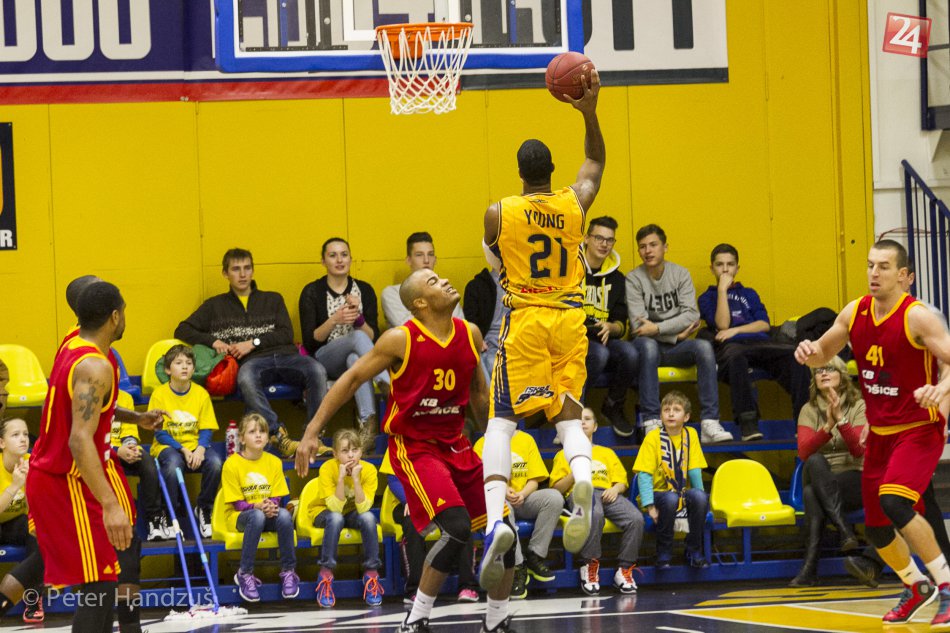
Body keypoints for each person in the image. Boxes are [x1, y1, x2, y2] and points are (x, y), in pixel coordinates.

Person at [295, 269, 515, 633]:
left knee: (504, 531)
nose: (445, 281)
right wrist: (311, 430)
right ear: (420, 303)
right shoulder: (400, 339)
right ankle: (416, 618)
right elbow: (352, 379)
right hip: (415, 448)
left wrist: (493, 447)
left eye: (441, 276)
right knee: (457, 527)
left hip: (457, 444)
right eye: (433, 282)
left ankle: (496, 620)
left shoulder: (470, 333)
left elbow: (479, 392)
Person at [480, 68, 605, 588]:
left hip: (527, 321)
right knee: (569, 419)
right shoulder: (574, 202)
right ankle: (582, 479)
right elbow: (595, 164)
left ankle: (495, 521)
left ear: (519, 173)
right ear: (552, 171)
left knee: (501, 422)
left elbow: (494, 261)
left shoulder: (499, 212)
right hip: (571, 318)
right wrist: (588, 112)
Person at [795, 239, 950, 626]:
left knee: (895, 502)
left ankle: (947, 586)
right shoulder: (855, 311)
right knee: (877, 527)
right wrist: (808, 352)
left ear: (903, 275)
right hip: (879, 433)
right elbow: (823, 352)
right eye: (870, 265)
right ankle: (915, 586)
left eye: (883, 266)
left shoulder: (918, 317)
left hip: (919, 428)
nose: (873, 273)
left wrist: (942, 389)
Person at [26, 281, 159, 633]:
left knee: (101, 580)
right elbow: (80, 439)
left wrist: (136, 418)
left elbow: (90, 409)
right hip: (63, 480)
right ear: (114, 317)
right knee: (98, 584)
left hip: (60, 475)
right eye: (124, 310)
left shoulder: (73, 342)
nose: (125, 316)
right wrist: (110, 505)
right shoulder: (95, 367)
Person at [175, 248, 327, 459]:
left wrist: (253, 343)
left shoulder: (273, 299)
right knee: (245, 378)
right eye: (236, 269)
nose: (242, 274)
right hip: (253, 363)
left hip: (285, 356)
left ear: (253, 271)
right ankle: (278, 434)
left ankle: (313, 437)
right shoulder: (214, 306)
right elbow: (182, 329)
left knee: (317, 370)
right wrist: (213, 341)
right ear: (225, 273)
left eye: (247, 268)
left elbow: (286, 334)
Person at [697, 243, 810, 441]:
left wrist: (736, 330)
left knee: (796, 355)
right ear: (712, 268)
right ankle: (748, 423)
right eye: (720, 265)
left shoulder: (749, 293)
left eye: (730, 264)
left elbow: (763, 325)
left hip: (760, 344)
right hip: (732, 348)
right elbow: (722, 325)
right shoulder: (707, 297)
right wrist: (722, 290)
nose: (725, 270)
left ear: (737, 268)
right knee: (736, 357)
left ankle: (804, 423)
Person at [626, 224, 727, 443]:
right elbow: (638, 326)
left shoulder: (680, 274)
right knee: (648, 345)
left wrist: (659, 329)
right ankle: (652, 420)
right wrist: (675, 334)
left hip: (674, 348)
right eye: (642, 247)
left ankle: (710, 422)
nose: (648, 251)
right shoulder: (633, 279)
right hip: (648, 347)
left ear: (665, 247)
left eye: (653, 245)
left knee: (703, 347)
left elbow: (691, 315)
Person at [299, 238, 388, 445]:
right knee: (357, 338)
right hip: (324, 359)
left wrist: (358, 318)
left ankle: (367, 428)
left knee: (356, 360)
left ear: (350, 259)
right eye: (333, 255)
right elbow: (310, 342)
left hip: (358, 359)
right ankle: (385, 383)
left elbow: (373, 337)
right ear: (323, 261)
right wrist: (335, 320)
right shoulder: (312, 291)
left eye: (344, 255)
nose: (339, 260)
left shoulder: (364, 290)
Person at [788, 357, 864, 586]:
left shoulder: (859, 405)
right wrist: (828, 426)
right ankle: (845, 531)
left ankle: (809, 569)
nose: (823, 373)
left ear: (842, 374)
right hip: (819, 472)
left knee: (811, 494)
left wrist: (841, 419)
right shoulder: (808, 409)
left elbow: (859, 449)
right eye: (819, 370)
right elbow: (804, 452)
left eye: (829, 368)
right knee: (815, 461)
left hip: (853, 476)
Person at [550, 407, 643, 595]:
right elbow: (557, 488)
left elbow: (621, 482)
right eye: (579, 420)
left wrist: (615, 489)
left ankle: (624, 570)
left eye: (587, 419)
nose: (583, 422)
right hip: (580, 493)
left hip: (607, 493)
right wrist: (577, 470)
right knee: (595, 513)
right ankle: (589, 565)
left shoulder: (607, 453)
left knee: (636, 519)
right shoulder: (563, 454)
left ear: (595, 426)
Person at [379, 448, 479, 604]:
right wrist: (409, 500)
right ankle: (415, 589)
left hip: (439, 499)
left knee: (461, 523)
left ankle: (468, 586)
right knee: (413, 524)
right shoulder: (397, 444)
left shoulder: (442, 442)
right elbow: (394, 480)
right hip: (407, 502)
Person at [221, 413, 298, 603]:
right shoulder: (231, 464)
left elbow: (277, 495)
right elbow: (237, 503)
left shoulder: (274, 462)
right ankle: (245, 573)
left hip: (265, 514)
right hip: (239, 517)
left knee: (284, 516)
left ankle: (288, 571)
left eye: (262, 431)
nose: (258, 435)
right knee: (256, 516)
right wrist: (257, 506)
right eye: (252, 431)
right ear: (241, 438)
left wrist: (271, 506)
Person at [474, 429, 562, 593]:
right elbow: (480, 480)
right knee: (503, 507)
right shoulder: (482, 443)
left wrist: (522, 494)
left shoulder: (526, 439)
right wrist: (503, 490)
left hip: (524, 498)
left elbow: (534, 480)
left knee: (554, 498)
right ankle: (518, 566)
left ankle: (535, 555)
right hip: (499, 498)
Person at [148, 345, 222, 539]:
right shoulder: (159, 395)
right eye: (179, 363)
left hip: (195, 445)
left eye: (189, 363)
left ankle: (204, 508)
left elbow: (206, 428)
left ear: (193, 369)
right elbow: (160, 433)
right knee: (173, 466)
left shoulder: (201, 394)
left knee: (215, 463)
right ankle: (169, 514)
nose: (184, 367)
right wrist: (183, 450)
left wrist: (200, 449)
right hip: (168, 446)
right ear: (168, 369)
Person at [306, 428, 383, 608]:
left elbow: (363, 508)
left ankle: (371, 574)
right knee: (336, 519)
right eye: (345, 451)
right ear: (335, 454)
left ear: (361, 451)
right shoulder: (327, 468)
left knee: (369, 519)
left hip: (351, 512)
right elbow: (335, 508)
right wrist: (341, 478)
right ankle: (325, 574)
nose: (350, 455)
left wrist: (356, 479)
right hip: (323, 511)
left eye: (355, 450)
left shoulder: (369, 470)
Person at [634, 391, 711, 570]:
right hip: (657, 494)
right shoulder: (653, 437)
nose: (670, 413)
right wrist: (650, 507)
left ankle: (693, 550)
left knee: (700, 497)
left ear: (686, 417)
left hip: (681, 493)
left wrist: (701, 502)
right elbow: (644, 475)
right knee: (670, 498)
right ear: (661, 416)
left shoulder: (691, 434)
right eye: (666, 410)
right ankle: (664, 552)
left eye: (676, 410)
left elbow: (694, 471)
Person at [581, 215, 637, 437]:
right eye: (599, 238)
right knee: (599, 355)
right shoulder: (569, 271)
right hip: (575, 340)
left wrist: (612, 327)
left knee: (630, 353)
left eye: (609, 240)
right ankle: (573, 411)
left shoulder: (617, 278)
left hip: (604, 338)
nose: (604, 244)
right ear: (586, 239)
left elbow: (621, 323)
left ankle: (613, 405)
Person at [0, 418, 45, 623]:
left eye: (25, 434)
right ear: (2, 443)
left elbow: (34, 511)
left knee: (37, 530)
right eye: (15, 435)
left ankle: (33, 599)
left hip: (16, 523)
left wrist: (29, 484)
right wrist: (15, 486)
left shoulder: (33, 462)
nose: (23, 439)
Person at [111, 390, 169, 541]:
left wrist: (130, 447)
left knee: (147, 462)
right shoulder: (90, 397)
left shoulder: (125, 397)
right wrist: (116, 451)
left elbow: (129, 432)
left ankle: (154, 520)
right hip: (101, 453)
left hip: (123, 448)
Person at [382, 232, 464, 328]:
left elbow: (460, 328)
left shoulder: (447, 291)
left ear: (435, 259)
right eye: (419, 255)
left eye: (430, 254)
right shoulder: (392, 293)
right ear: (408, 260)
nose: (426, 260)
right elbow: (408, 328)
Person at [463, 265, 507, 382]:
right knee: (491, 365)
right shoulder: (477, 286)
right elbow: (470, 319)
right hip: (489, 342)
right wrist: (478, 339)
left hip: (518, 339)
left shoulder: (525, 287)